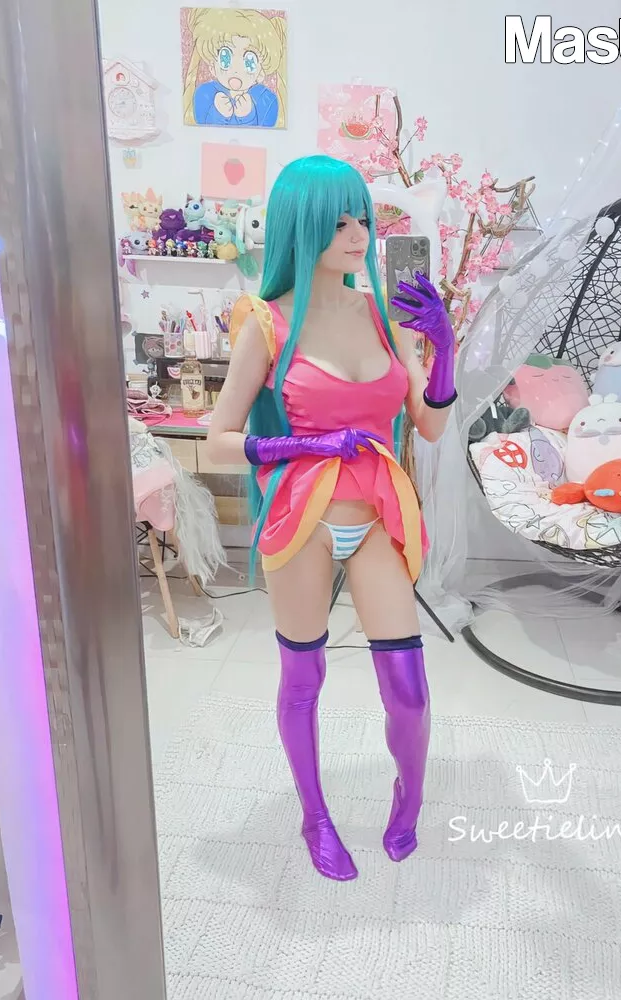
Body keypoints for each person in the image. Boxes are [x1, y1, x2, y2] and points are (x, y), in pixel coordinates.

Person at [207, 155, 457, 881]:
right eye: (338, 221)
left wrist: (442, 349)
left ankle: (409, 798)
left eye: (362, 219)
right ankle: (314, 816)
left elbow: (430, 425)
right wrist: (302, 444)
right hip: (303, 518)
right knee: (302, 679)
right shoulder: (266, 323)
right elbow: (219, 438)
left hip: (378, 512)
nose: (357, 235)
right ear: (302, 226)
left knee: (408, 689)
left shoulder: (384, 314)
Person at [182, 7, 286, 128]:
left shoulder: (267, 99)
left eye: (249, 61)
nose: (236, 69)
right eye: (225, 57)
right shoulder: (204, 93)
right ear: (212, 66)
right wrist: (218, 114)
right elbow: (198, 127)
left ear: (261, 73)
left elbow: (269, 131)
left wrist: (247, 117)